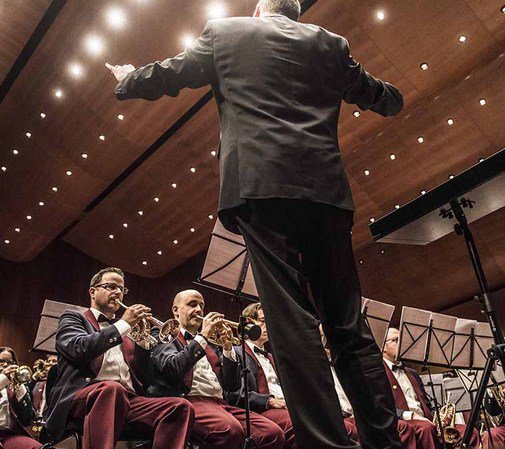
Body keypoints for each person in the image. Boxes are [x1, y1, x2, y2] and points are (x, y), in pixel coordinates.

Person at [106, 1, 403, 447]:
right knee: (347, 325)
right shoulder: (330, 44)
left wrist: (127, 78)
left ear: (261, 7)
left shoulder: (225, 33)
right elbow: (386, 98)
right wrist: (384, 91)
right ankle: (386, 443)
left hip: (261, 189)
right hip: (326, 194)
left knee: (290, 321)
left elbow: (171, 73)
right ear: (295, 11)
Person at [44, 267, 195, 449]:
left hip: (127, 399)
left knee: (180, 407)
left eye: (121, 289)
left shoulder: (127, 331)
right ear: (93, 291)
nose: (118, 292)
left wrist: (143, 346)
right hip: (85, 396)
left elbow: (145, 379)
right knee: (111, 389)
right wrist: (124, 324)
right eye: (111, 287)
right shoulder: (73, 317)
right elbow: (79, 349)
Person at [149, 289, 285, 449]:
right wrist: (203, 336)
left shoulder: (213, 344)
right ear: (175, 310)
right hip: (191, 401)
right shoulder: (163, 333)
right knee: (229, 430)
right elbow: (172, 368)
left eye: (201, 306)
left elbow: (232, 386)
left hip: (222, 403)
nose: (199, 310)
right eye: (192, 304)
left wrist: (228, 348)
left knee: (271, 433)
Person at [226, 303, 358, 448]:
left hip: (285, 407)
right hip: (263, 409)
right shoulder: (236, 352)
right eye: (264, 321)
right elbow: (234, 392)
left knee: (327, 425)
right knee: (303, 426)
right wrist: (269, 401)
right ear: (249, 324)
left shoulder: (273, 357)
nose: (269, 326)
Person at [381, 328, 479, 449]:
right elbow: (381, 407)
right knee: (426, 429)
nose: (401, 344)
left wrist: (440, 417)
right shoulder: (378, 374)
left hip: (427, 421)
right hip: (404, 423)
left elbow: (426, 405)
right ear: (383, 347)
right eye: (396, 340)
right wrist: (411, 416)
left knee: (469, 432)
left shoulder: (412, 372)